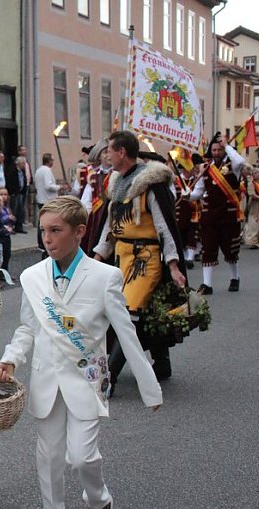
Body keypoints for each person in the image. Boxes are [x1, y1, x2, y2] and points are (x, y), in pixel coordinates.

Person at [0, 196, 162, 509]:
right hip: (46, 382)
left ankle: (99, 503)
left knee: (83, 458)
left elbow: (125, 333)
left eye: (56, 231)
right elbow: (28, 328)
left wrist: (149, 387)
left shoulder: (105, 277)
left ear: (80, 232)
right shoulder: (33, 277)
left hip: (86, 379)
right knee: (49, 458)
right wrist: (10, 359)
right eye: (43, 231)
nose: (47, 239)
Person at [93, 130, 187, 385]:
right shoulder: (117, 184)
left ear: (122, 152)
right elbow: (109, 228)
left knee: (128, 313)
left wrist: (174, 265)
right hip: (122, 259)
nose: (107, 155)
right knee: (133, 312)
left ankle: (108, 376)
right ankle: (162, 362)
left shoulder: (150, 186)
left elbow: (164, 227)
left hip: (146, 260)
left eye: (110, 150)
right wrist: (97, 256)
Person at [189, 132, 246, 294]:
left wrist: (227, 145)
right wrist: (187, 195)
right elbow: (198, 193)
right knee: (208, 248)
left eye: (219, 150)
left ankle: (235, 278)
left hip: (229, 215)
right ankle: (207, 284)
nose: (216, 153)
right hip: (210, 216)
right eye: (213, 150)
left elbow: (241, 161)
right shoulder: (205, 168)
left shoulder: (234, 166)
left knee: (230, 249)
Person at [35, 153, 70, 257]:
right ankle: (42, 242)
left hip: (41, 198)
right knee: (46, 222)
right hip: (47, 199)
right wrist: (60, 187)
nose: (53, 162)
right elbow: (48, 185)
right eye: (52, 160)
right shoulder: (46, 171)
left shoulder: (39, 170)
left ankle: (41, 242)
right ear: (49, 161)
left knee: (41, 221)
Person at [241, 166, 259, 250]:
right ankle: (253, 242)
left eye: (256, 172)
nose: (254, 174)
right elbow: (252, 195)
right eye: (253, 173)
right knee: (253, 223)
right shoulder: (251, 183)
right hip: (255, 205)